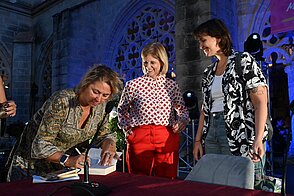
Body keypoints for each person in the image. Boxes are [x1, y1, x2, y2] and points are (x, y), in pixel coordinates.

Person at [6, 64, 122, 181]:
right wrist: (67, 160)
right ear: (86, 84)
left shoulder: (101, 106)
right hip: (29, 168)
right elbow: (40, 145)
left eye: (105, 95)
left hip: (61, 172)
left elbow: (104, 135)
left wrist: (109, 145)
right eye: (95, 92)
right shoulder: (63, 101)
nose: (99, 99)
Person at [192, 19, 269, 182]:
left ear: (218, 38)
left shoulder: (243, 60)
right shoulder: (208, 73)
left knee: (237, 183)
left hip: (238, 133)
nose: (201, 46)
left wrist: (258, 138)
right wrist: (198, 140)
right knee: (214, 182)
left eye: (203, 40)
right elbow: (205, 109)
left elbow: (261, 102)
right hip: (211, 133)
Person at [117, 42, 189, 179]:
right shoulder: (133, 85)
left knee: (167, 179)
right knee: (138, 179)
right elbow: (121, 110)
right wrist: (127, 130)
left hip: (166, 135)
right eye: (145, 62)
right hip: (140, 135)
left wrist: (181, 122)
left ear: (162, 62)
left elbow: (182, 110)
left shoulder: (171, 85)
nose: (148, 67)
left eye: (152, 63)